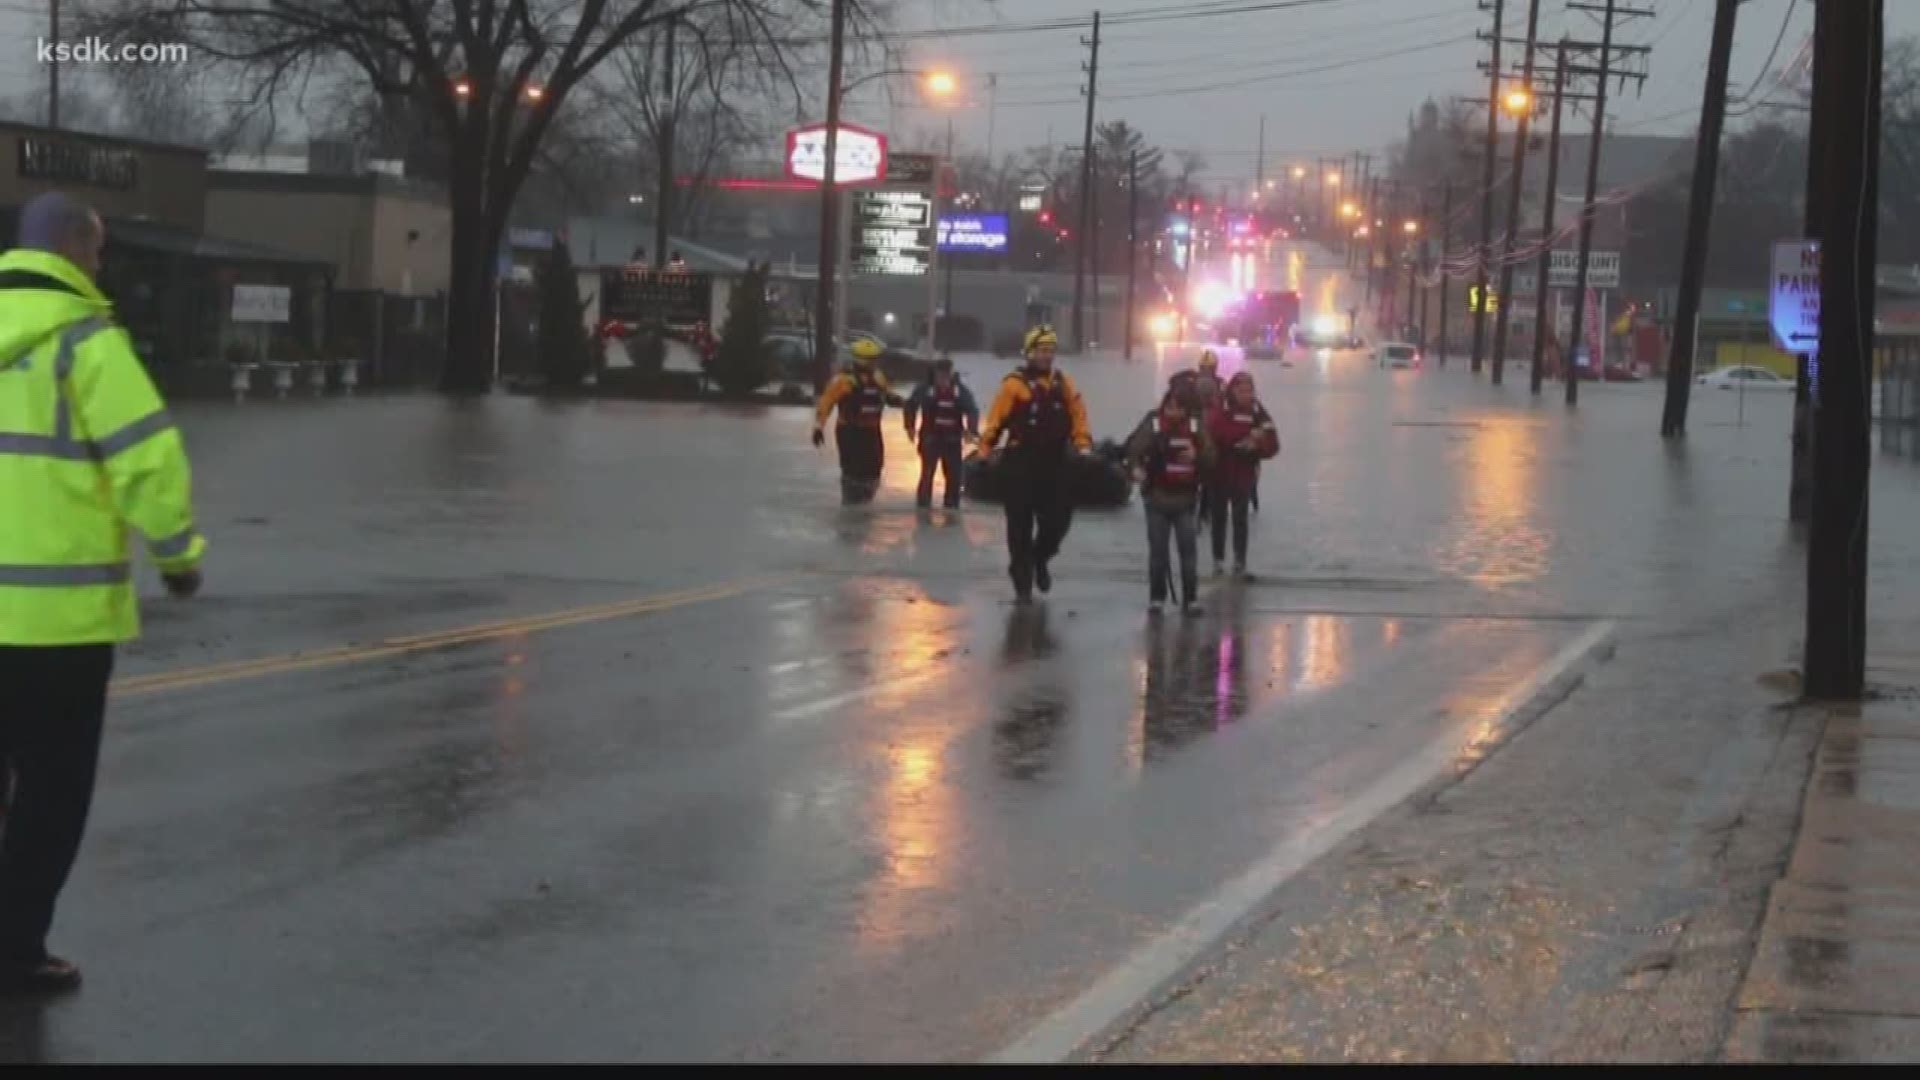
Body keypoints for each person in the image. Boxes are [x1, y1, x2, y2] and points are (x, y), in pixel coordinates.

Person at [0, 192, 205, 995]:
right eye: (99, 251)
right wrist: (179, 556)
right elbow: (148, 462)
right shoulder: (88, 346)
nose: (101, 265)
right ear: (76, 253)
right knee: (52, 793)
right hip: (60, 629)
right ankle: (15, 946)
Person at [977, 326, 1093, 602]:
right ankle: (1022, 584)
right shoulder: (1013, 386)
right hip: (1020, 464)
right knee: (1019, 527)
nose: (1047, 356)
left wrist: (1083, 445)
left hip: (1054, 463)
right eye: (1042, 351)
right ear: (1030, 352)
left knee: (1057, 522)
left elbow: (1079, 415)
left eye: (1051, 351)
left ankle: (1040, 558)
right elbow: (995, 422)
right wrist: (984, 452)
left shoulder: (1063, 384)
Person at [1127, 372, 1216, 615]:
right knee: (1158, 552)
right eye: (1170, 406)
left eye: (1179, 407)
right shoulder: (1153, 423)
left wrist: (1197, 455)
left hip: (1186, 499)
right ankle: (1157, 599)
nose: (1173, 411)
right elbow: (1133, 449)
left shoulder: (1196, 427)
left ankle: (1191, 599)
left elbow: (1211, 457)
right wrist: (1135, 470)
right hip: (1156, 497)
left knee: (1188, 552)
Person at [1205, 370, 1280, 578]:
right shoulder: (1220, 410)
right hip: (1218, 472)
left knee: (1240, 518)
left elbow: (1273, 442)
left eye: (1250, 390)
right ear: (1233, 391)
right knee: (1218, 517)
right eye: (1243, 390)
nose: (1247, 395)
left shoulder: (1258, 412)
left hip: (1244, 473)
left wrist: (1257, 443)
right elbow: (1210, 435)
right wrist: (1240, 440)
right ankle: (1218, 560)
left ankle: (1240, 562)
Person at [812, 337, 902, 504]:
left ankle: (866, 501)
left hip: (871, 432)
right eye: (873, 359)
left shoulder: (878, 377)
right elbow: (825, 403)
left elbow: (888, 394)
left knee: (874, 469)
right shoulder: (843, 381)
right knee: (852, 472)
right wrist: (819, 427)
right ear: (864, 360)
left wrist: (901, 402)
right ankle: (850, 503)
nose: (876, 362)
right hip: (850, 432)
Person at [903, 358, 979, 508]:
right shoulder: (925, 388)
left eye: (946, 374)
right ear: (935, 373)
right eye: (940, 373)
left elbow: (972, 410)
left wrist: (971, 430)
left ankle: (951, 506)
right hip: (930, 439)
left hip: (952, 440)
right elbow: (910, 406)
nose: (943, 377)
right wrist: (910, 427)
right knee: (927, 473)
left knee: (954, 476)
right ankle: (923, 506)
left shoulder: (960, 391)